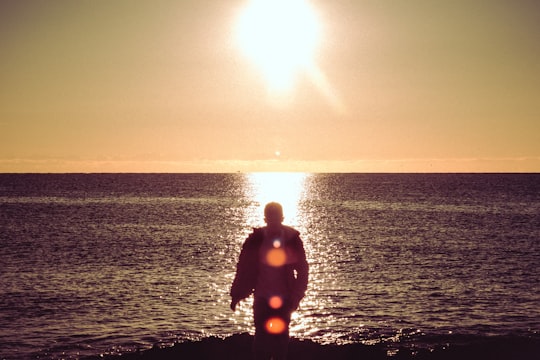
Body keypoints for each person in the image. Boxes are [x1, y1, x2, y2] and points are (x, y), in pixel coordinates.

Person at [230, 202, 309, 360]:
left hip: (285, 299)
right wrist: (236, 295)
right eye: (270, 217)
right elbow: (243, 268)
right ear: (265, 219)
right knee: (260, 342)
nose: (273, 221)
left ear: (282, 218)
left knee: (281, 343)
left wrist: (297, 295)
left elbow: (302, 270)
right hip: (261, 298)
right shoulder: (256, 239)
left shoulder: (291, 239)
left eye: (277, 217)